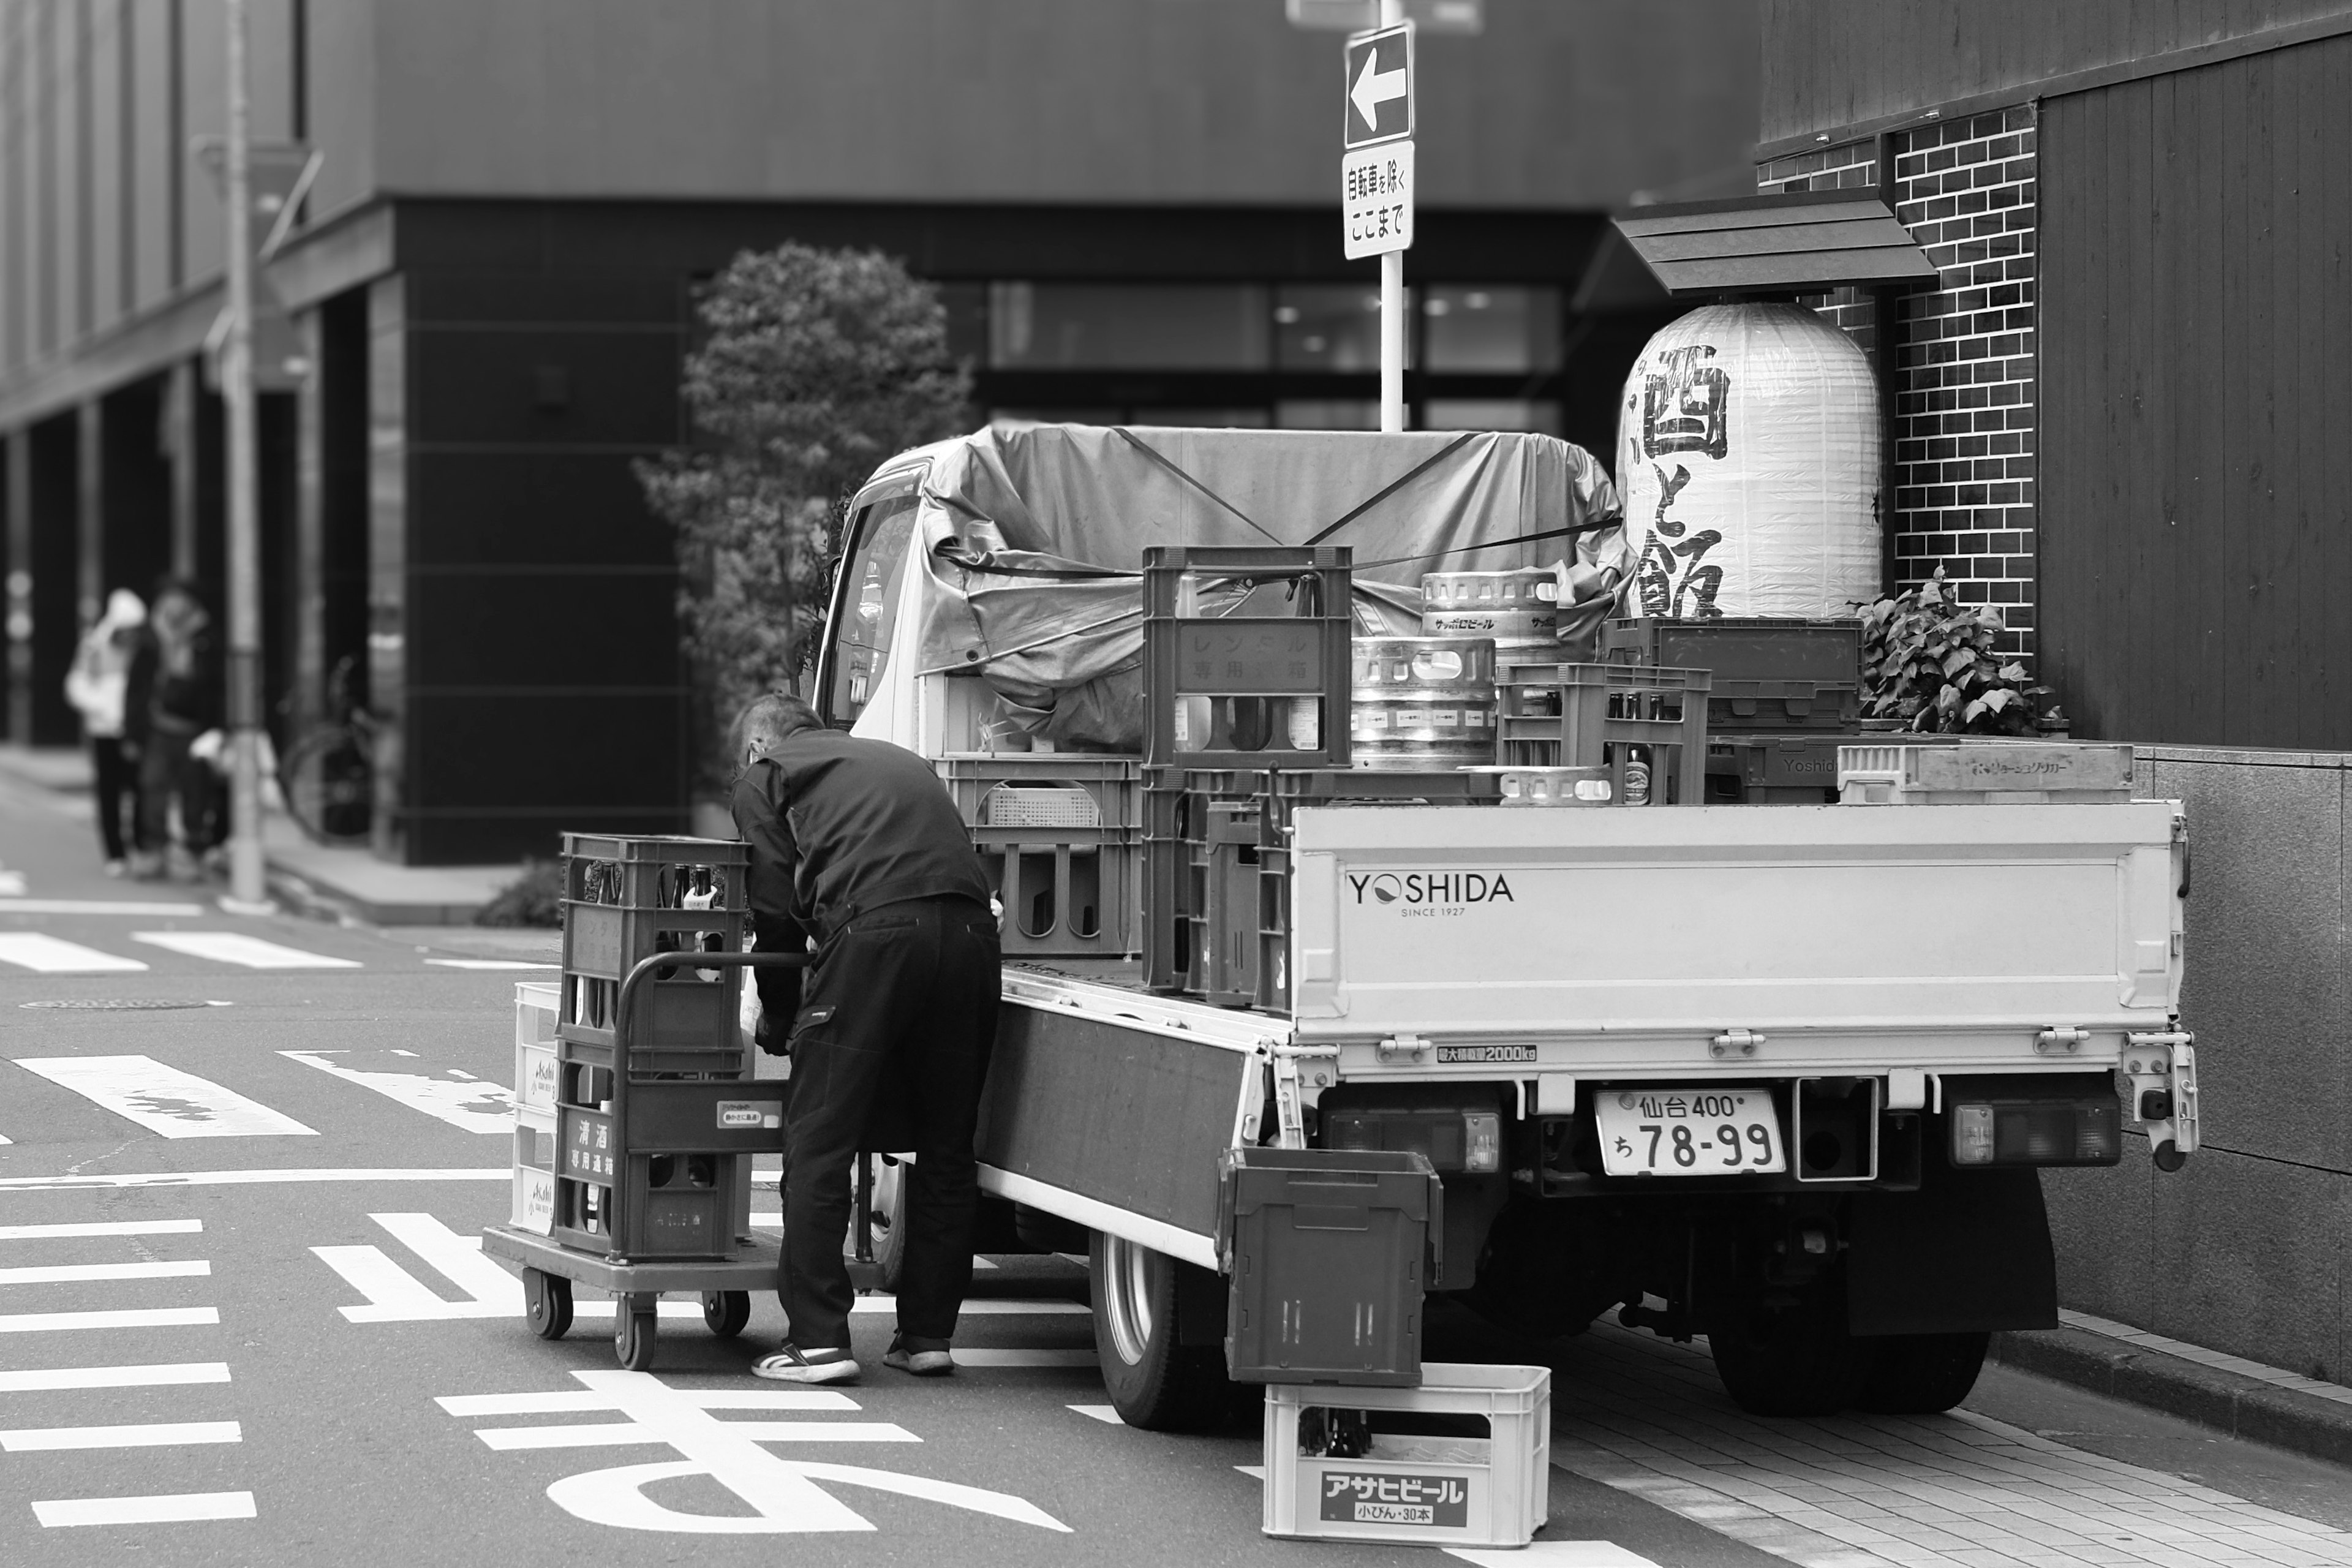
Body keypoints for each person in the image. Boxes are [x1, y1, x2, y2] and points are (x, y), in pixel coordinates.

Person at [729, 691, 999, 1385]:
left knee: (819, 1132)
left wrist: (781, 1015)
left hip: (877, 931)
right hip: (972, 935)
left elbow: (773, 907)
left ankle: (818, 1338)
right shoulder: (894, 759)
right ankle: (927, 1335)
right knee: (946, 1144)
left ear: (761, 745)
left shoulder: (770, 775)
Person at [124, 578, 225, 880]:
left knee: (196, 794)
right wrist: (131, 731)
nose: (173, 605)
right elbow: (136, 687)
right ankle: (154, 850)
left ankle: (192, 853)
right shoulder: (152, 636)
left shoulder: (206, 636)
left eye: (179, 598)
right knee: (152, 788)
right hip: (158, 727)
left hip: (195, 729)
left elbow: (219, 686)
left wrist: (219, 728)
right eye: (169, 598)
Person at [64, 589, 151, 875]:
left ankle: (140, 846)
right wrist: (104, 708)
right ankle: (115, 853)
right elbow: (76, 686)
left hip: (134, 730)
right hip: (104, 730)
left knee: (140, 789)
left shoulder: (143, 649)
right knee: (109, 792)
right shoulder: (94, 647)